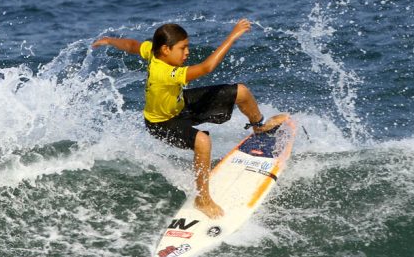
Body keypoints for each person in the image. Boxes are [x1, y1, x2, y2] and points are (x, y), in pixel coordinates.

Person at [92, 19, 288, 219]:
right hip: (161, 124)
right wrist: (232, 36)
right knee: (202, 141)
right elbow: (206, 68)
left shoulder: (153, 51)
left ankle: (259, 127)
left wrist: (110, 40)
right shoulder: (165, 73)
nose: (187, 52)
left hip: (179, 104)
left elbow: (132, 45)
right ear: (166, 49)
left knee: (241, 92)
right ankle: (202, 198)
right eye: (183, 48)